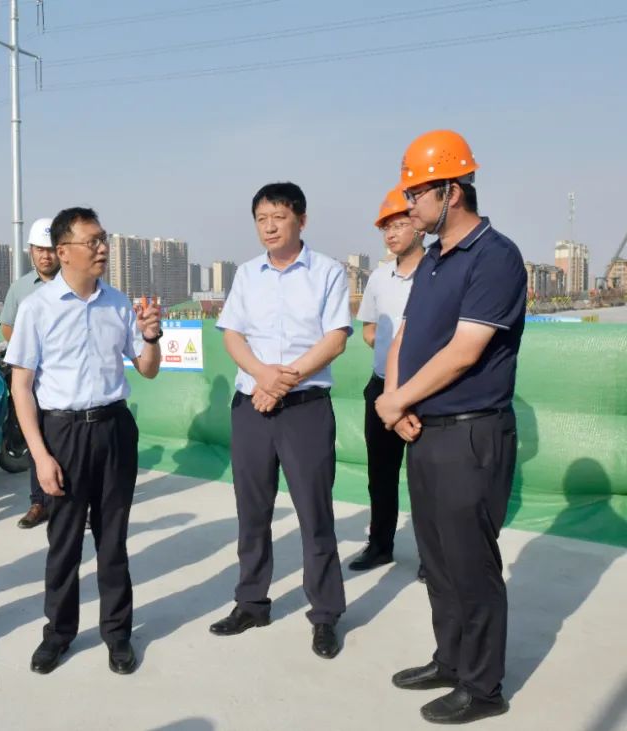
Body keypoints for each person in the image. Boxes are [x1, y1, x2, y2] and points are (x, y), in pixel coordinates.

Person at [376, 130, 525, 724]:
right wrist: (394, 402)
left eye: (417, 194)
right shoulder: (434, 259)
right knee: (436, 559)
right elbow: (406, 337)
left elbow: (465, 352)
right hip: (425, 431)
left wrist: (398, 400)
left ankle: (483, 687)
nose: (408, 205)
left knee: (471, 563)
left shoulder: (496, 256)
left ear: (452, 191)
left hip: (471, 433)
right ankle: (451, 660)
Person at [6, 206, 161, 675]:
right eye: (91, 241)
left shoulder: (118, 303)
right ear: (63, 251)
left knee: (113, 540)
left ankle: (118, 633)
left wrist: (152, 336)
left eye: (103, 239)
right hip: (64, 432)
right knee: (65, 542)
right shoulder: (37, 308)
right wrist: (40, 456)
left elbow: (147, 369)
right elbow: (21, 386)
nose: (102, 248)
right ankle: (58, 633)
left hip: (114, 428)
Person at [208, 182, 351, 660]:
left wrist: (280, 382)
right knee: (252, 512)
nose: (269, 227)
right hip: (251, 407)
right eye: (261, 219)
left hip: (305, 409)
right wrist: (262, 376)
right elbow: (232, 335)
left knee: (314, 514)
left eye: (279, 217)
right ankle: (251, 603)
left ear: (301, 220)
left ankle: (325, 614)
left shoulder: (328, 272)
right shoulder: (247, 274)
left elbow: (335, 340)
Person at [350, 186, 426, 579]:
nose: (391, 234)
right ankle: (380, 545)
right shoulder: (379, 278)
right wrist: (389, 356)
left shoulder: (439, 273)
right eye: (386, 228)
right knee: (381, 475)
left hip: (427, 392)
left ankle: (433, 557)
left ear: (419, 226)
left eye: (398, 225)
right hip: (381, 389)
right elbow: (368, 329)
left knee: (428, 480)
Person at [0, 217, 60, 530]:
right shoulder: (21, 288)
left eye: (51, 249)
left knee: (69, 440)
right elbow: (7, 326)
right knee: (35, 436)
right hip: (31, 378)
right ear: (31, 251)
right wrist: (28, 351)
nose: (46, 256)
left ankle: (76, 502)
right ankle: (39, 502)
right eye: (40, 249)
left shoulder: (74, 283)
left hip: (64, 377)